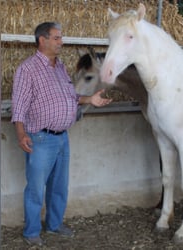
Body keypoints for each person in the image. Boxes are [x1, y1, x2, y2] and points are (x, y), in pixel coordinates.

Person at [11, 22, 112, 246]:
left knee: (58, 187)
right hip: (40, 137)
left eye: (61, 38)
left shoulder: (61, 67)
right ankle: (31, 232)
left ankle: (55, 225)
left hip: (62, 137)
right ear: (42, 40)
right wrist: (20, 134)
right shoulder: (27, 69)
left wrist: (90, 100)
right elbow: (18, 106)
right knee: (36, 189)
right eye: (56, 38)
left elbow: (71, 97)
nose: (61, 42)